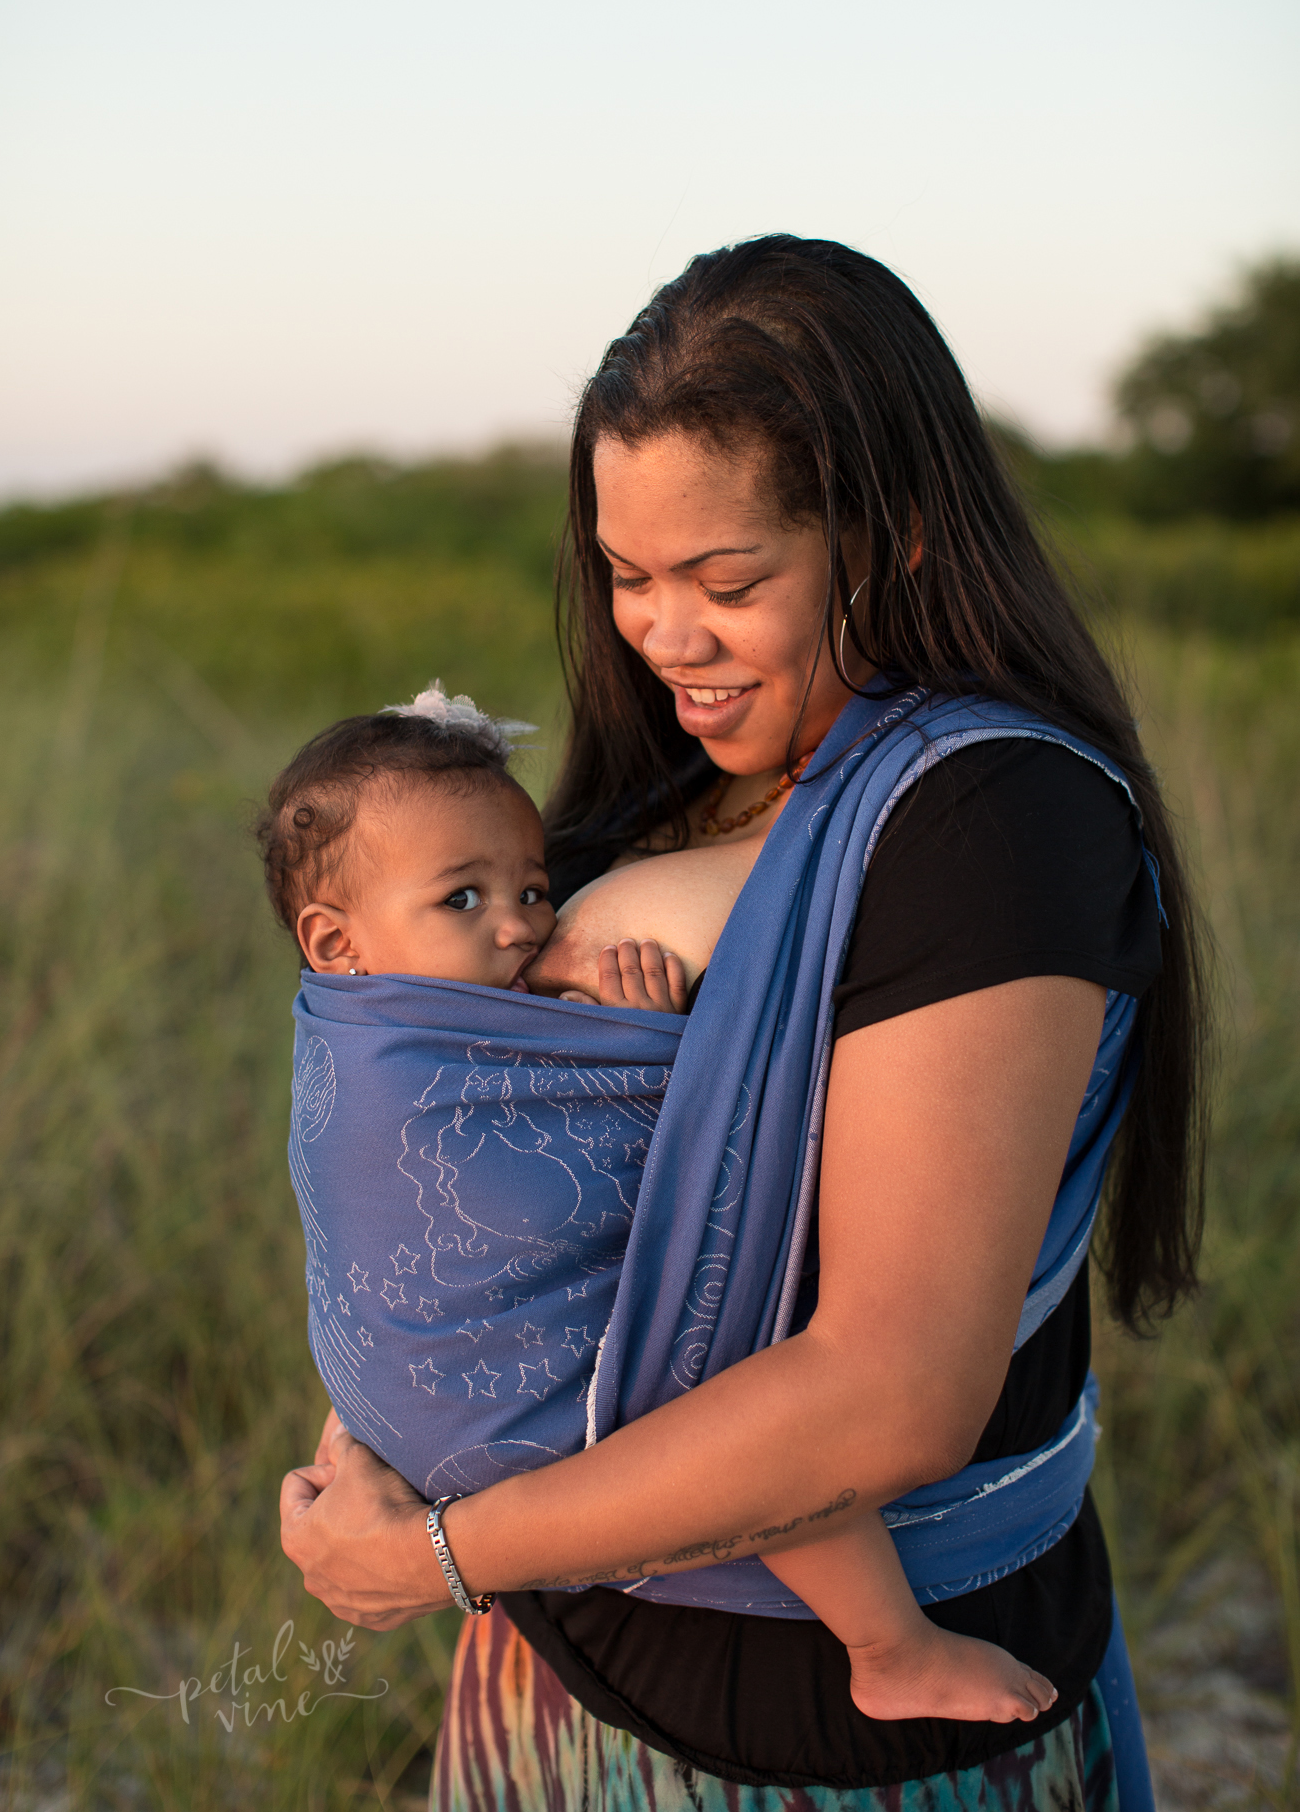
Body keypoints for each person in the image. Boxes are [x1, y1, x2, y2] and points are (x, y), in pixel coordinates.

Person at [280, 236, 1207, 1809]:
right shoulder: (675, 772)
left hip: (828, 1741)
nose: (664, 637)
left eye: (726, 581)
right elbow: (463, 1130)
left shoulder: (990, 822)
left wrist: (436, 1553)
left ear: (892, 536)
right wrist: (377, 1427)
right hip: (551, 1659)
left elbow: (886, 1394)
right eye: (627, 577)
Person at [261, 692, 1059, 1724]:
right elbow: (606, 1183)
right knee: (748, 1411)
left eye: (534, 888)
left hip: (391, 1413)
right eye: (463, 900)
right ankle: (890, 1646)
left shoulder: (405, 1007)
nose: (519, 924)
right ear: (336, 943)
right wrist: (648, 1049)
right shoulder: (385, 1064)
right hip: (484, 1407)